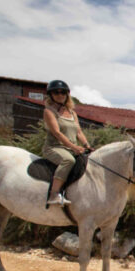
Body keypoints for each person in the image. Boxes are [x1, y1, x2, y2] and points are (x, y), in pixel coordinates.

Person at [42, 79, 91, 207]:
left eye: (63, 92)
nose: (60, 95)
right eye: (56, 92)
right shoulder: (49, 111)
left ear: (67, 95)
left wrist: (87, 146)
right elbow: (57, 133)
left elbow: (79, 132)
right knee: (68, 160)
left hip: (70, 148)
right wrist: (74, 147)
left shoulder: (72, 113)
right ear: (51, 95)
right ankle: (53, 194)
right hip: (54, 147)